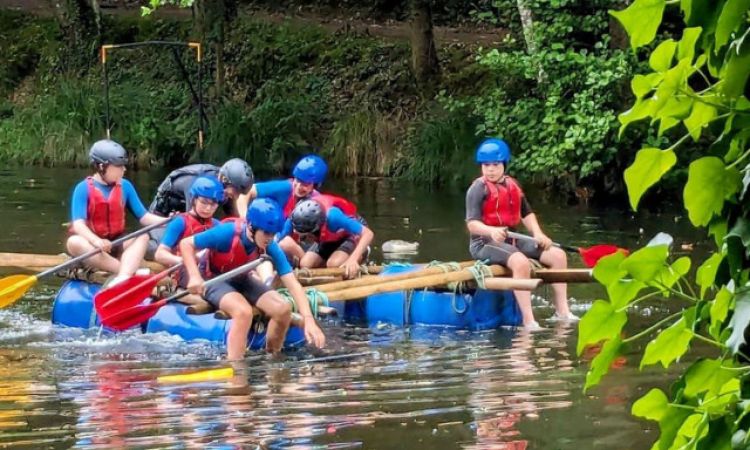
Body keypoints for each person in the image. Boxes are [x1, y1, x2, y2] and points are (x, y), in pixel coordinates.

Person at [179, 198, 326, 360]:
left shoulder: (269, 244)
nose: (270, 238)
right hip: (214, 279)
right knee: (243, 312)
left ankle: (273, 357)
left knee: (283, 309)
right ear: (251, 227)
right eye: (266, 233)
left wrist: (309, 319)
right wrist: (194, 276)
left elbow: (292, 283)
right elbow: (186, 244)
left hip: (242, 279)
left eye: (273, 234)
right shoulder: (227, 233)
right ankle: (236, 367)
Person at [464, 138, 576, 329]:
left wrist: (539, 234)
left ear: (504, 165)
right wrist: (492, 230)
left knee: (558, 256)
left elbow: (526, 214)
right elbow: (472, 225)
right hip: (484, 243)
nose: (490, 169)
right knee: (520, 262)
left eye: (495, 165)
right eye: (486, 165)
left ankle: (562, 311)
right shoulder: (477, 189)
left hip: (512, 240)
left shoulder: (512, 185)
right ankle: (528, 320)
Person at [66, 139, 163, 285]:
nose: (124, 170)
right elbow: (79, 225)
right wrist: (96, 241)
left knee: (142, 236)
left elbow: (144, 217)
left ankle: (123, 275)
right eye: (119, 166)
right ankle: (126, 271)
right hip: (93, 246)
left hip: (117, 243)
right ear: (101, 167)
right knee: (74, 242)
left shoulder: (126, 186)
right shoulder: (83, 188)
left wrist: (169, 221)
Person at [147, 158, 254, 258]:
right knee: (165, 243)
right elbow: (192, 222)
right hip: (163, 215)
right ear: (224, 179)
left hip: (187, 213)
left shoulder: (225, 188)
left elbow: (235, 222)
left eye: (240, 193)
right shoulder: (198, 182)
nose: (236, 197)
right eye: (235, 191)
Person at [245, 155, 327, 263]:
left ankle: (306, 265)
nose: (298, 187)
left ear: (315, 185)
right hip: (275, 240)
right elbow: (247, 191)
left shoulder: (317, 204)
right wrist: (244, 221)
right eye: (298, 180)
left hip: (296, 246)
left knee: (286, 243)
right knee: (282, 241)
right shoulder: (285, 188)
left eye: (305, 184)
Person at [284, 194, 374, 279]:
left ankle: (362, 254)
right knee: (305, 264)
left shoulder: (333, 217)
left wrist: (353, 259)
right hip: (331, 237)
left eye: (305, 236)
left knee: (333, 265)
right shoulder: (296, 216)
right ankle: (335, 257)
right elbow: (279, 238)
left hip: (351, 234)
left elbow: (368, 234)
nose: (304, 239)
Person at [153, 175, 223, 271]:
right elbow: (160, 254)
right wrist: (185, 260)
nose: (208, 208)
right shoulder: (180, 222)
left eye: (213, 204)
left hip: (209, 270)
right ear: (193, 199)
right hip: (184, 271)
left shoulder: (217, 225)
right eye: (204, 202)